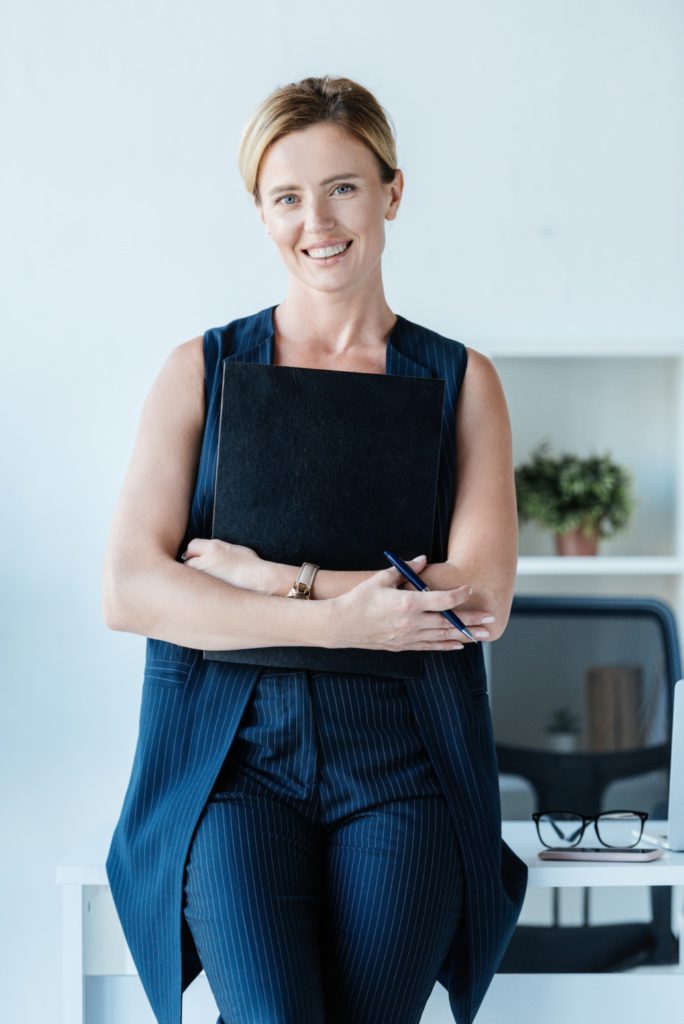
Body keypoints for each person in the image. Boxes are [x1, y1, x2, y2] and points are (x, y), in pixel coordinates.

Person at [103, 75, 528, 1024]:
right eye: (287, 196)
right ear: (260, 214)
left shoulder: (462, 382)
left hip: (404, 761)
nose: (317, 220)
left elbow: (479, 597)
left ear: (392, 192)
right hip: (234, 761)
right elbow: (132, 588)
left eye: (342, 186)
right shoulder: (202, 372)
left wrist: (272, 579)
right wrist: (353, 616)